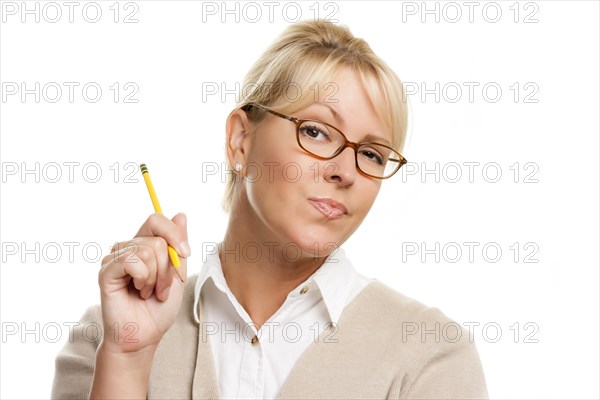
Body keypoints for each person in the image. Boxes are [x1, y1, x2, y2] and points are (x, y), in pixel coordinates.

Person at [51, 19, 488, 399]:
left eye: (372, 154)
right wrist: (128, 359)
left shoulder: (431, 356)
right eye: (317, 132)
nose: (345, 171)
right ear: (241, 140)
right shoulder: (105, 337)